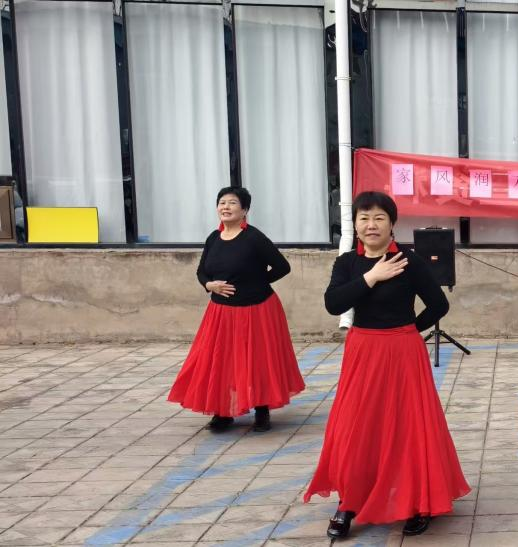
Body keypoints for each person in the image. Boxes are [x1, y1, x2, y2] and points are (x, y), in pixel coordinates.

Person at [304, 191, 469, 539]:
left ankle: (417, 501)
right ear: (355, 225)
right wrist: (372, 277)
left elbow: (438, 305)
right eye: (363, 218)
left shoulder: (410, 261)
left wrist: (408, 331)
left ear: (392, 223)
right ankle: (349, 502)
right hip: (362, 351)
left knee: (409, 426)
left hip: (402, 351)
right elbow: (334, 304)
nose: (371, 225)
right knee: (355, 427)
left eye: (379, 217)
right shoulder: (347, 264)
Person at [168, 187, 303, 433]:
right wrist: (209, 285)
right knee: (220, 360)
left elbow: (282, 266)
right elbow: (201, 271)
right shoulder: (213, 238)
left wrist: (257, 282)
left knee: (258, 359)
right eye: (222, 202)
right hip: (221, 312)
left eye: (232, 203)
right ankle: (223, 412)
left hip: (257, 309)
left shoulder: (254, 238)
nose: (226, 207)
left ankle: (262, 410)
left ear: (245, 210)